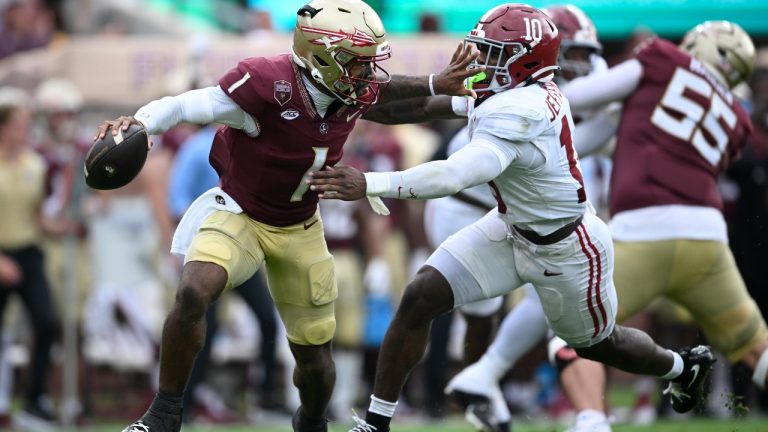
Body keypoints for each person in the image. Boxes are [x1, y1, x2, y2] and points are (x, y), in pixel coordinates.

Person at [307, 5, 716, 432]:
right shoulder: (507, 88)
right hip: (510, 227)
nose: (482, 60)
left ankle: (681, 367)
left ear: (527, 59)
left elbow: (455, 173)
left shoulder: (522, 109)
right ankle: (376, 423)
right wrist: (351, 102)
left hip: (566, 247)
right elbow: (426, 105)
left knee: (599, 344)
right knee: (420, 296)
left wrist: (369, 182)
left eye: (493, 52)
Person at [93, 1, 480, 431]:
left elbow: (388, 102)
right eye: (357, 63)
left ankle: (311, 420)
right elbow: (188, 106)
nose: (367, 73)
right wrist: (143, 123)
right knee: (193, 291)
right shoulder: (263, 84)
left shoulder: (347, 86)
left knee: (315, 362)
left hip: (300, 225)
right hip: (240, 212)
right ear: (320, 56)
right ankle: (163, 414)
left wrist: (453, 95)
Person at [535, 19, 766, 427]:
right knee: (755, 348)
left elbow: (576, 97)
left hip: (644, 230)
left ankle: (591, 422)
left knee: (572, 336)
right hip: (708, 240)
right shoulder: (737, 117)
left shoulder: (663, 58)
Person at [443, 5, 616, 432]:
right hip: (466, 203)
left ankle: (486, 383)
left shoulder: (572, 84)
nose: (578, 63)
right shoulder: (533, 95)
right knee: (482, 315)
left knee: (545, 302)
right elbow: (591, 123)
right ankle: (482, 387)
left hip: (513, 209)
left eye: (583, 53)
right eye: (568, 51)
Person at [167, 124, 280, 423]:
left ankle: (265, 395)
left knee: (267, 318)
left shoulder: (245, 144)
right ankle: (185, 404)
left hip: (240, 248)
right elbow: (177, 199)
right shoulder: (195, 148)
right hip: (209, 248)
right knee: (204, 326)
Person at [0, 87, 62, 428]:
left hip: (27, 253)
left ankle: (33, 400)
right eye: (20, 123)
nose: (26, 130)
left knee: (46, 322)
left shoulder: (35, 165)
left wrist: (63, 226)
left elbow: (39, 218)